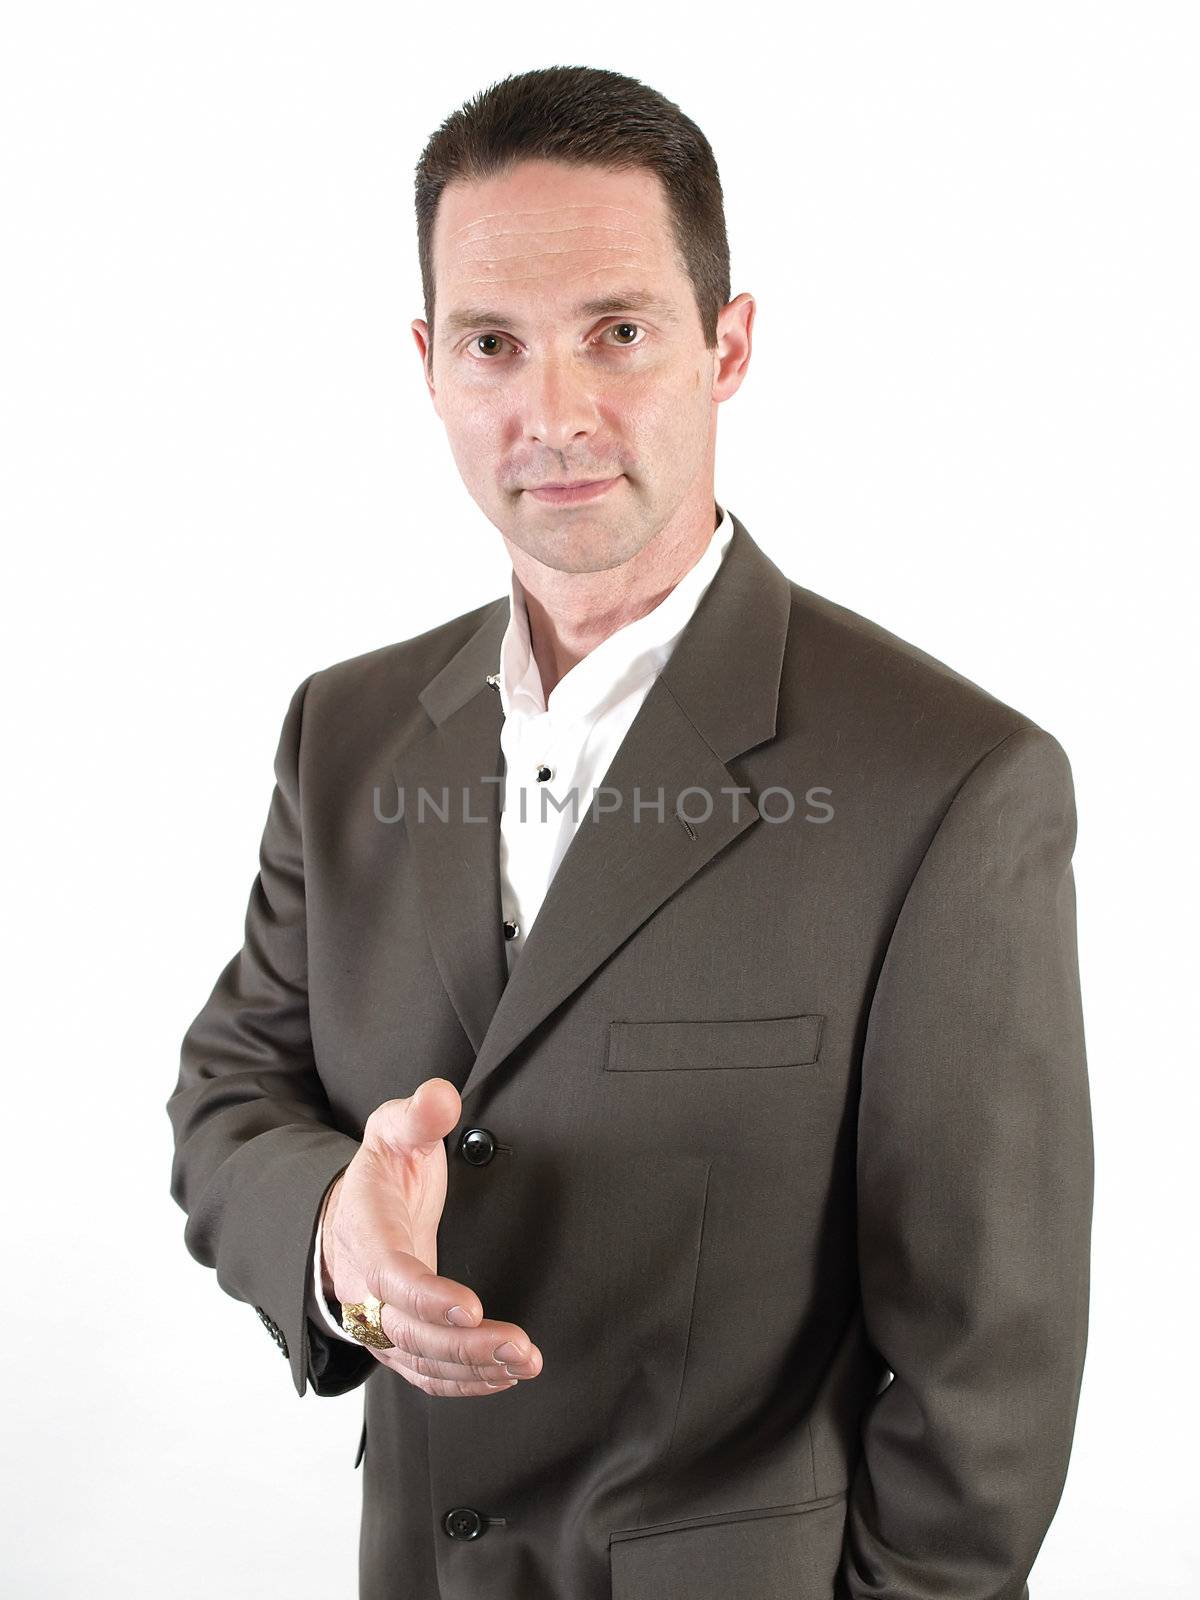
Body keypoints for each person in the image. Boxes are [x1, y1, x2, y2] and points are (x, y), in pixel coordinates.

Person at [167, 64, 1092, 1600]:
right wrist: (340, 1243)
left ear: (727, 345)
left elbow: (986, 1381)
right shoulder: (344, 729)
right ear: (429, 364)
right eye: (493, 345)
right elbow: (234, 1090)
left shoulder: (955, 785)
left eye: (619, 331)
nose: (556, 413)